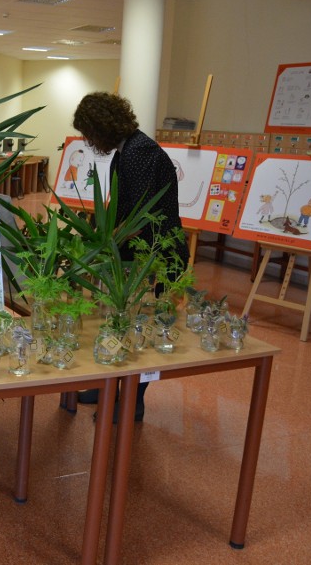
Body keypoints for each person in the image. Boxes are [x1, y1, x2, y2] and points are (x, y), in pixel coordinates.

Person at [71, 92, 190, 422]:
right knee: (118, 321)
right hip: (137, 254)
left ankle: (131, 402)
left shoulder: (141, 152)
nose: (87, 140)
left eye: (88, 133)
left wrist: (105, 242)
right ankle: (110, 387)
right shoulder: (126, 150)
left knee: (140, 328)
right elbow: (121, 206)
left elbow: (139, 214)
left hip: (155, 255)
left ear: (102, 128)